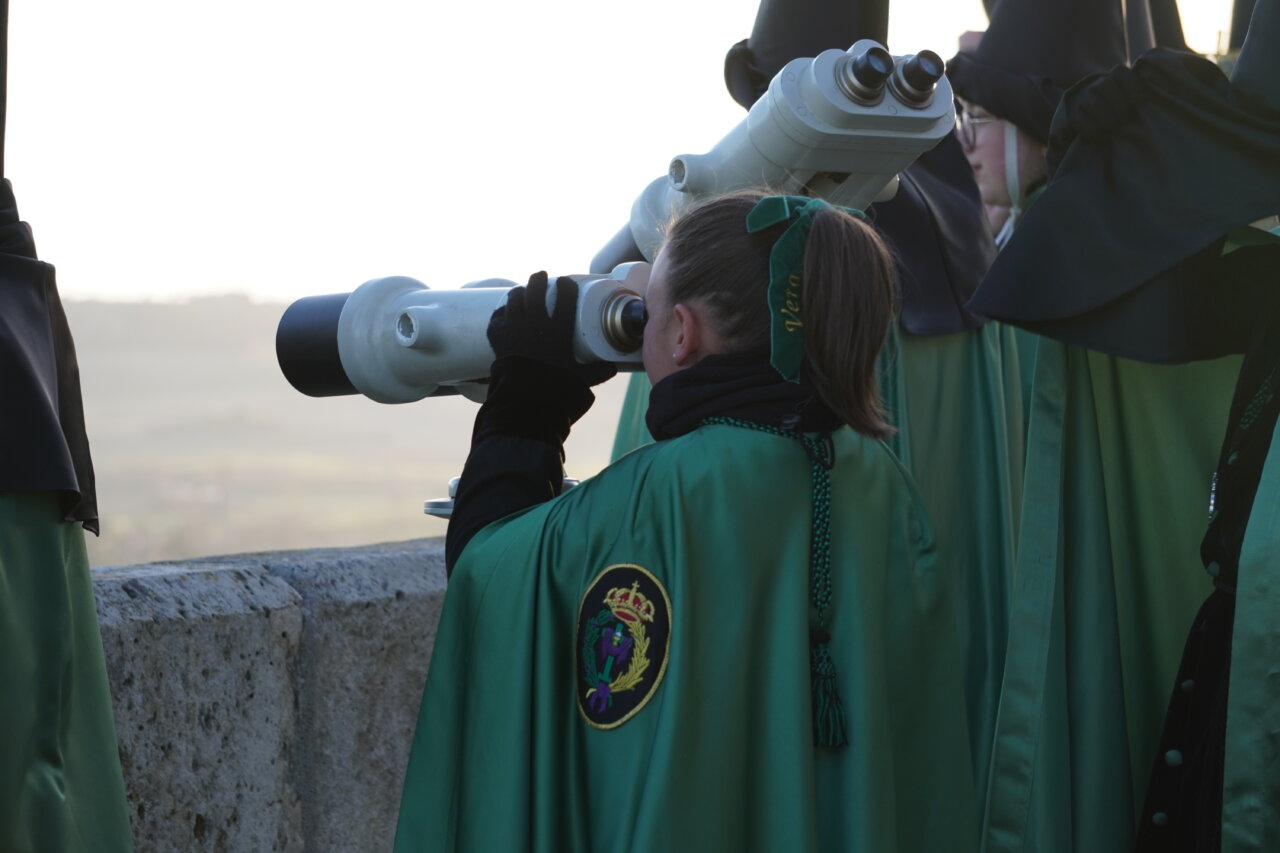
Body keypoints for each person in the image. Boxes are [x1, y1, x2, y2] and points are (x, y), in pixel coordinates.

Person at [393, 190, 977, 852]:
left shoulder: (658, 500)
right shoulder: (883, 486)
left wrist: (525, 406)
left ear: (681, 332)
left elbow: (488, 582)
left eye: (649, 312)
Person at [953, 0, 1246, 850]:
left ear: (1043, 118)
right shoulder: (1050, 254)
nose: (966, 138)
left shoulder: (1077, 259)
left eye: (984, 115)